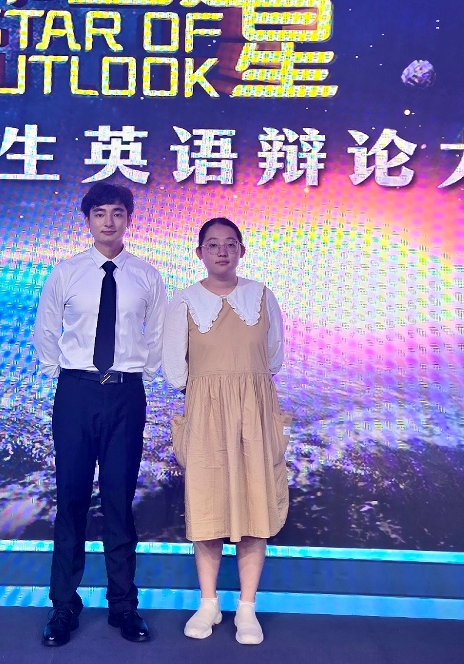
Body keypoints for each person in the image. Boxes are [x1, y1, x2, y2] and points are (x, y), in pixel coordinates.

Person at [32, 182, 166, 647]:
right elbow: (46, 329)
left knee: (118, 501)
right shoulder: (67, 272)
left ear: (129, 219)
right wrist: (65, 375)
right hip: (76, 394)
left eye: (117, 213)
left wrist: (138, 373)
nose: (109, 221)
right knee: (70, 499)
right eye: (100, 214)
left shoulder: (146, 275)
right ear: (87, 220)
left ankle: (123, 605)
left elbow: (157, 334)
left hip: (126, 396)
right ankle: (63, 605)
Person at [163, 217, 289, 645]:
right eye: (213, 244)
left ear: (241, 251)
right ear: (199, 253)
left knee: (255, 509)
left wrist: (243, 390)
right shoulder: (185, 301)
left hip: (255, 413)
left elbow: (273, 357)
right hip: (206, 415)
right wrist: (211, 393)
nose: (222, 251)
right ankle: (208, 602)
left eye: (231, 244)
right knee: (208, 508)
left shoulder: (262, 295)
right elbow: (174, 368)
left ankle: (247, 608)